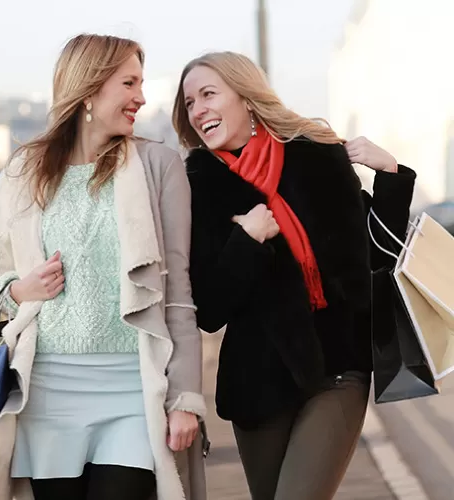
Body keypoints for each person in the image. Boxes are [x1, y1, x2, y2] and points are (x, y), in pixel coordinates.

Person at [0, 34, 207, 500]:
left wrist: (185, 398)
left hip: (134, 391)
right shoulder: (22, 172)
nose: (141, 97)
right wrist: (21, 289)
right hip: (47, 394)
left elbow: (177, 293)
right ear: (89, 90)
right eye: (129, 83)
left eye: (141, 83)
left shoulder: (160, 166)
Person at [171, 51, 416, 500]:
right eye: (189, 103)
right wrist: (247, 241)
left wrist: (391, 176)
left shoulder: (316, 157)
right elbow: (209, 308)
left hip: (338, 368)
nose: (198, 110)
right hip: (258, 383)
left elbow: (376, 257)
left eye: (208, 94)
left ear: (246, 96)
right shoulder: (198, 187)